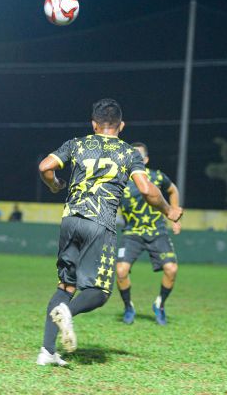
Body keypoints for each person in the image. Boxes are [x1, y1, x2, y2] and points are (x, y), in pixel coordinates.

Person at [35, 98, 182, 366]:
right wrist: (168, 211)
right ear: (121, 125)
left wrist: (55, 185)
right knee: (100, 292)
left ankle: (46, 352)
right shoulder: (128, 152)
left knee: (66, 285)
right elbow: (148, 189)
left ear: (93, 124)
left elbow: (45, 166)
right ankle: (67, 312)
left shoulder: (77, 143)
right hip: (99, 223)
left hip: (70, 219)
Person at [116, 142, 182, 326]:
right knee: (120, 271)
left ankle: (159, 305)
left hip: (157, 232)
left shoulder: (157, 176)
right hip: (132, 233)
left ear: (145, 160)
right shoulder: (118, 181)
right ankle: (128, 306)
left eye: (138, 156)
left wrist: (174, 214)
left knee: (172, 269)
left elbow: (173, 190)